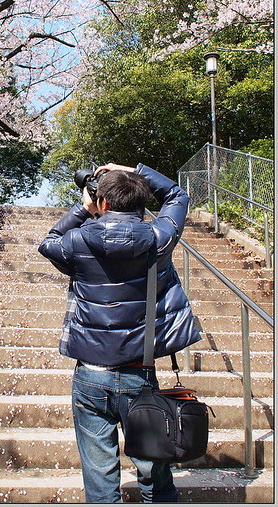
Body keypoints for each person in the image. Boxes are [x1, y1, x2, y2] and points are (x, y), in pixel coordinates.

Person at [38, 163, 201, 503]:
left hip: (90, 375)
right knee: (153, 471)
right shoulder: (158, 238)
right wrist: (132, 170)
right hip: (138, 376)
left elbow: (48, 241)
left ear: (103, 203)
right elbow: (177, 194)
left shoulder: (78, 241)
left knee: (100, 478)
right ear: (140, 203)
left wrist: (83, 208)